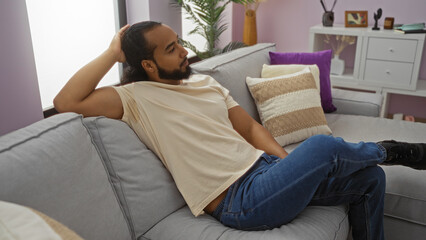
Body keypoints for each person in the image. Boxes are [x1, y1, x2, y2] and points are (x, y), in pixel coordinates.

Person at [54, 21, 426, 240]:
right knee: (321, 146)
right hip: (238, 201)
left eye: (180, 42)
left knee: (370, 180)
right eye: (172, 48)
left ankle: (380, 159)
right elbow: (66, 101)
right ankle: (393, 150)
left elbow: (248, 126)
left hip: (266, 173)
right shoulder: (134, 99)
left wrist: (287, 166)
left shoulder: (204, 83)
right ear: (149, 65)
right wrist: (113, 51)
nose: (184, 51)